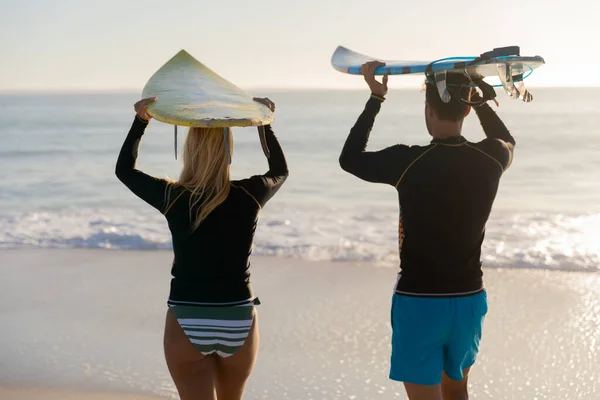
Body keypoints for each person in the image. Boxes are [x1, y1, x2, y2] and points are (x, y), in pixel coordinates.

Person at [339, 61, 515, 400]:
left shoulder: (406, 161)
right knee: (458, 391)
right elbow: (505, 139)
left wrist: (376, 98)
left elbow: (350, 159)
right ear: (466, 108)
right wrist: (478, 98)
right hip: (468, 300)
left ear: (427, 109)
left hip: (420, 301)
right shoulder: (491, 158)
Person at [115, 96, 288, 400]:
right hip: (238, 316)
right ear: (228, 153)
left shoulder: (174, 197)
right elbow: (280, 170)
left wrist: (141, 121)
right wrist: (264, 123)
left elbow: (125, 171)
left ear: (189, 152)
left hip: (187, 317)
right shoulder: (249, 195)